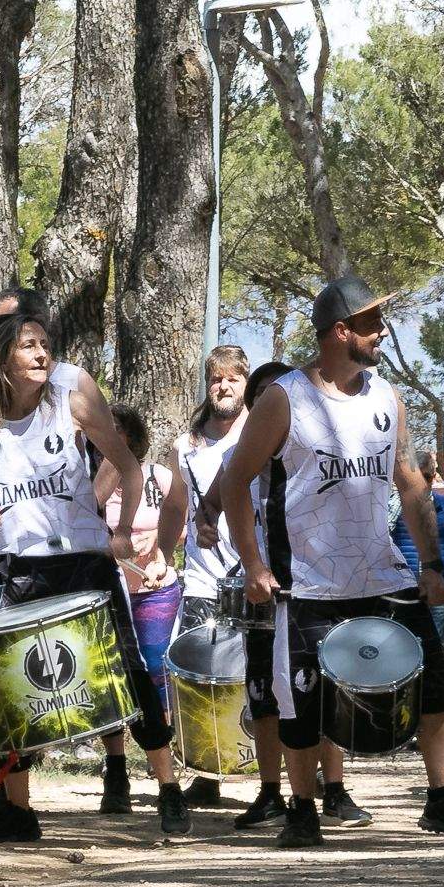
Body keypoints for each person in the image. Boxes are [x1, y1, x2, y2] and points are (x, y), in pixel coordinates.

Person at [210, 275, 444, 846]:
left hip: (383, 574)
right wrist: (254, 563)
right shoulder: (283, 398)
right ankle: (301, 809)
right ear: (340, 331)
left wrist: (433, 567)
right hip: (310, 582)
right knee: (303, 698)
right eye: (371, 323)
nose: (382, 331)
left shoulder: (387, 398)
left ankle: (442, 797)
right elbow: (235, 481)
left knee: (433, 680)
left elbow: (411, 484)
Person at [0, 311, 189, 843]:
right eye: (28, 346)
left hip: (84, 558)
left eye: (44, 345)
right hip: (24, 566)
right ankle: (18, 810)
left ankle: (168, 791)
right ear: (3, 358)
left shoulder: (71, 398)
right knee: (15, 685)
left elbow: (128, 465)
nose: (41, 354)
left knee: (126, 672)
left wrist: (124, 531)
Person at [163, 346, 295, 827]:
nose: (223, 387)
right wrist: (167, 550)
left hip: (273, 574)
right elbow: (181, 507)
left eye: (233, 379)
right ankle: (210, 769)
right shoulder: (188, 446)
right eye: (215, 379)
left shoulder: (267, 433)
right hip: (206, 577)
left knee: (281, 677)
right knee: (212, 676)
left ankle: (305, 776)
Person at [96, 405, 187, 800]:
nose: (110, 439)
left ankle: (162, 763)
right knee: (110, 678)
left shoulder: (158, 477)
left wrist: (160, 547)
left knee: (153, 669)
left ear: (133, 437)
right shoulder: (88, 484)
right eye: (104, 432)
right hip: (107, 592)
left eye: (119, 431)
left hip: (155, 589)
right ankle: (115, 769)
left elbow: (182, 513)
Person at [388, 452, 444, 640]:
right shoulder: (394, 504)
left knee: (433, 657)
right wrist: (401, 500)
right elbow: (382, 534)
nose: (421, 484)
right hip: (401, 597)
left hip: (438, 598)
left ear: (434, 476)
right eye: (415, 479)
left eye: (426, 477)